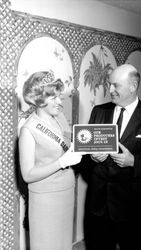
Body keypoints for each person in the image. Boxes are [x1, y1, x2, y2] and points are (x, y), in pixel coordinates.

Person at [81, 64, 141, 250]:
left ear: (132, 86)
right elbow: (83, 155)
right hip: (98, 207)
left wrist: (134, 162)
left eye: (116, 85)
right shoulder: (99, 111)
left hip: (132, 209)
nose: (110, 90)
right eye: (109, 84)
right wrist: (91, 158)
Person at [18, 70, 82, 250]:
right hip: (46, 199)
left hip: (66, 192)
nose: (60, 102)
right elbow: (28, 175)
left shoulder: (59, 117)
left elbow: (68, 143)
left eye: (59, 96)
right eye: (54, 98)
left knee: (63, 244)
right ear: (39, 98)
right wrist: (62, 162)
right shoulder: (28, 130)